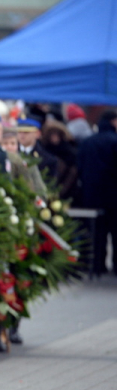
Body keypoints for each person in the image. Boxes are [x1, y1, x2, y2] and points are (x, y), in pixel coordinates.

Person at [77, 109, 117, 275]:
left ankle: (96, 265)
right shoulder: (114, 141)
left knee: (95, 233)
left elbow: (79, 166)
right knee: (115, 233)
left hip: (91, 195)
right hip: (114, 196)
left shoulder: (87, 142)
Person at [41, 121, 79, 200]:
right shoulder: (44, 150)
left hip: (66, 187)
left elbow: (73, 172)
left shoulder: (68, 151)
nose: (55, 138)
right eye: (52, 135)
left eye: (56, 135)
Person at [17, 114, 58, 181]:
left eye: (26, 132)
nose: (22, 135)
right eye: (19, 131)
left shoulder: (48, 159)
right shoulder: (10, 153)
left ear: (37, 134)